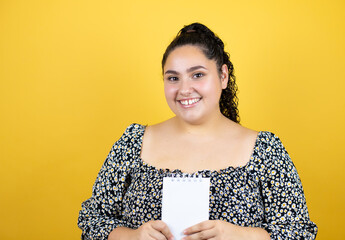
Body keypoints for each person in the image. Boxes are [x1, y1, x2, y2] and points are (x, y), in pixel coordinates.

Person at [78, 23, 318, 240]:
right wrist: (132, 237)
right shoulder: (134, 142)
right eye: (173, 78)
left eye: (198, 75)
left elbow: (299, 232)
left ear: (223, 76)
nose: (184, 89)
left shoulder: (264, 150)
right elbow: (92, 220)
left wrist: (240, 235)